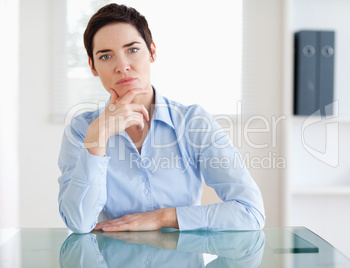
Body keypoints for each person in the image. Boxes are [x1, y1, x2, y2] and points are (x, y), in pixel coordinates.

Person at [57, 3, 265, 233]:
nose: (122, 66)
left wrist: (164, 217)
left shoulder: (192, 122)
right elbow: (78, 223)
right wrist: (98, 138)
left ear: (152, 52)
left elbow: (250, 212)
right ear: (93, 67)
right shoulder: (81, 130)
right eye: (106, 56)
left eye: (132, 50)